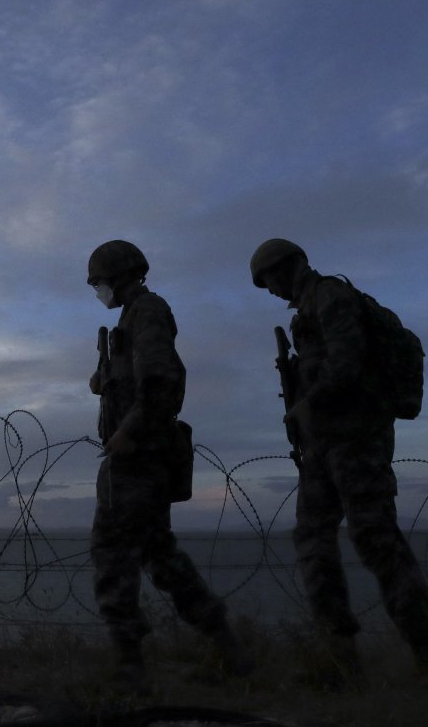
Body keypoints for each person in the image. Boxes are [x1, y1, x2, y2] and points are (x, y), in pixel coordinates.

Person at [249, 238, 428, 686]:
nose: (272, 291)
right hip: (323, 444)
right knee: (313, 541)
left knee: (376, 539)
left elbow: (347, 364)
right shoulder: (306, 311)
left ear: (291, 267)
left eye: (272, 280)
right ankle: (338, 656)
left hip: (358, 438)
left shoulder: (331, 296)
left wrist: (307, 403)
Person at [85, 239, 249, 689]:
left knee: (113, 553)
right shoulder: (129, 319)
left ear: (118, 276)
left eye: (99, 282)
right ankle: (228, 648)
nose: (98, 291)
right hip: (137, 456)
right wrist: (105, 380)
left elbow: (162, 379)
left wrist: (128, 432)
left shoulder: (147, 311)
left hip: (136, 458)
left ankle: (129, 666)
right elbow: (139, 377)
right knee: (159, 555)